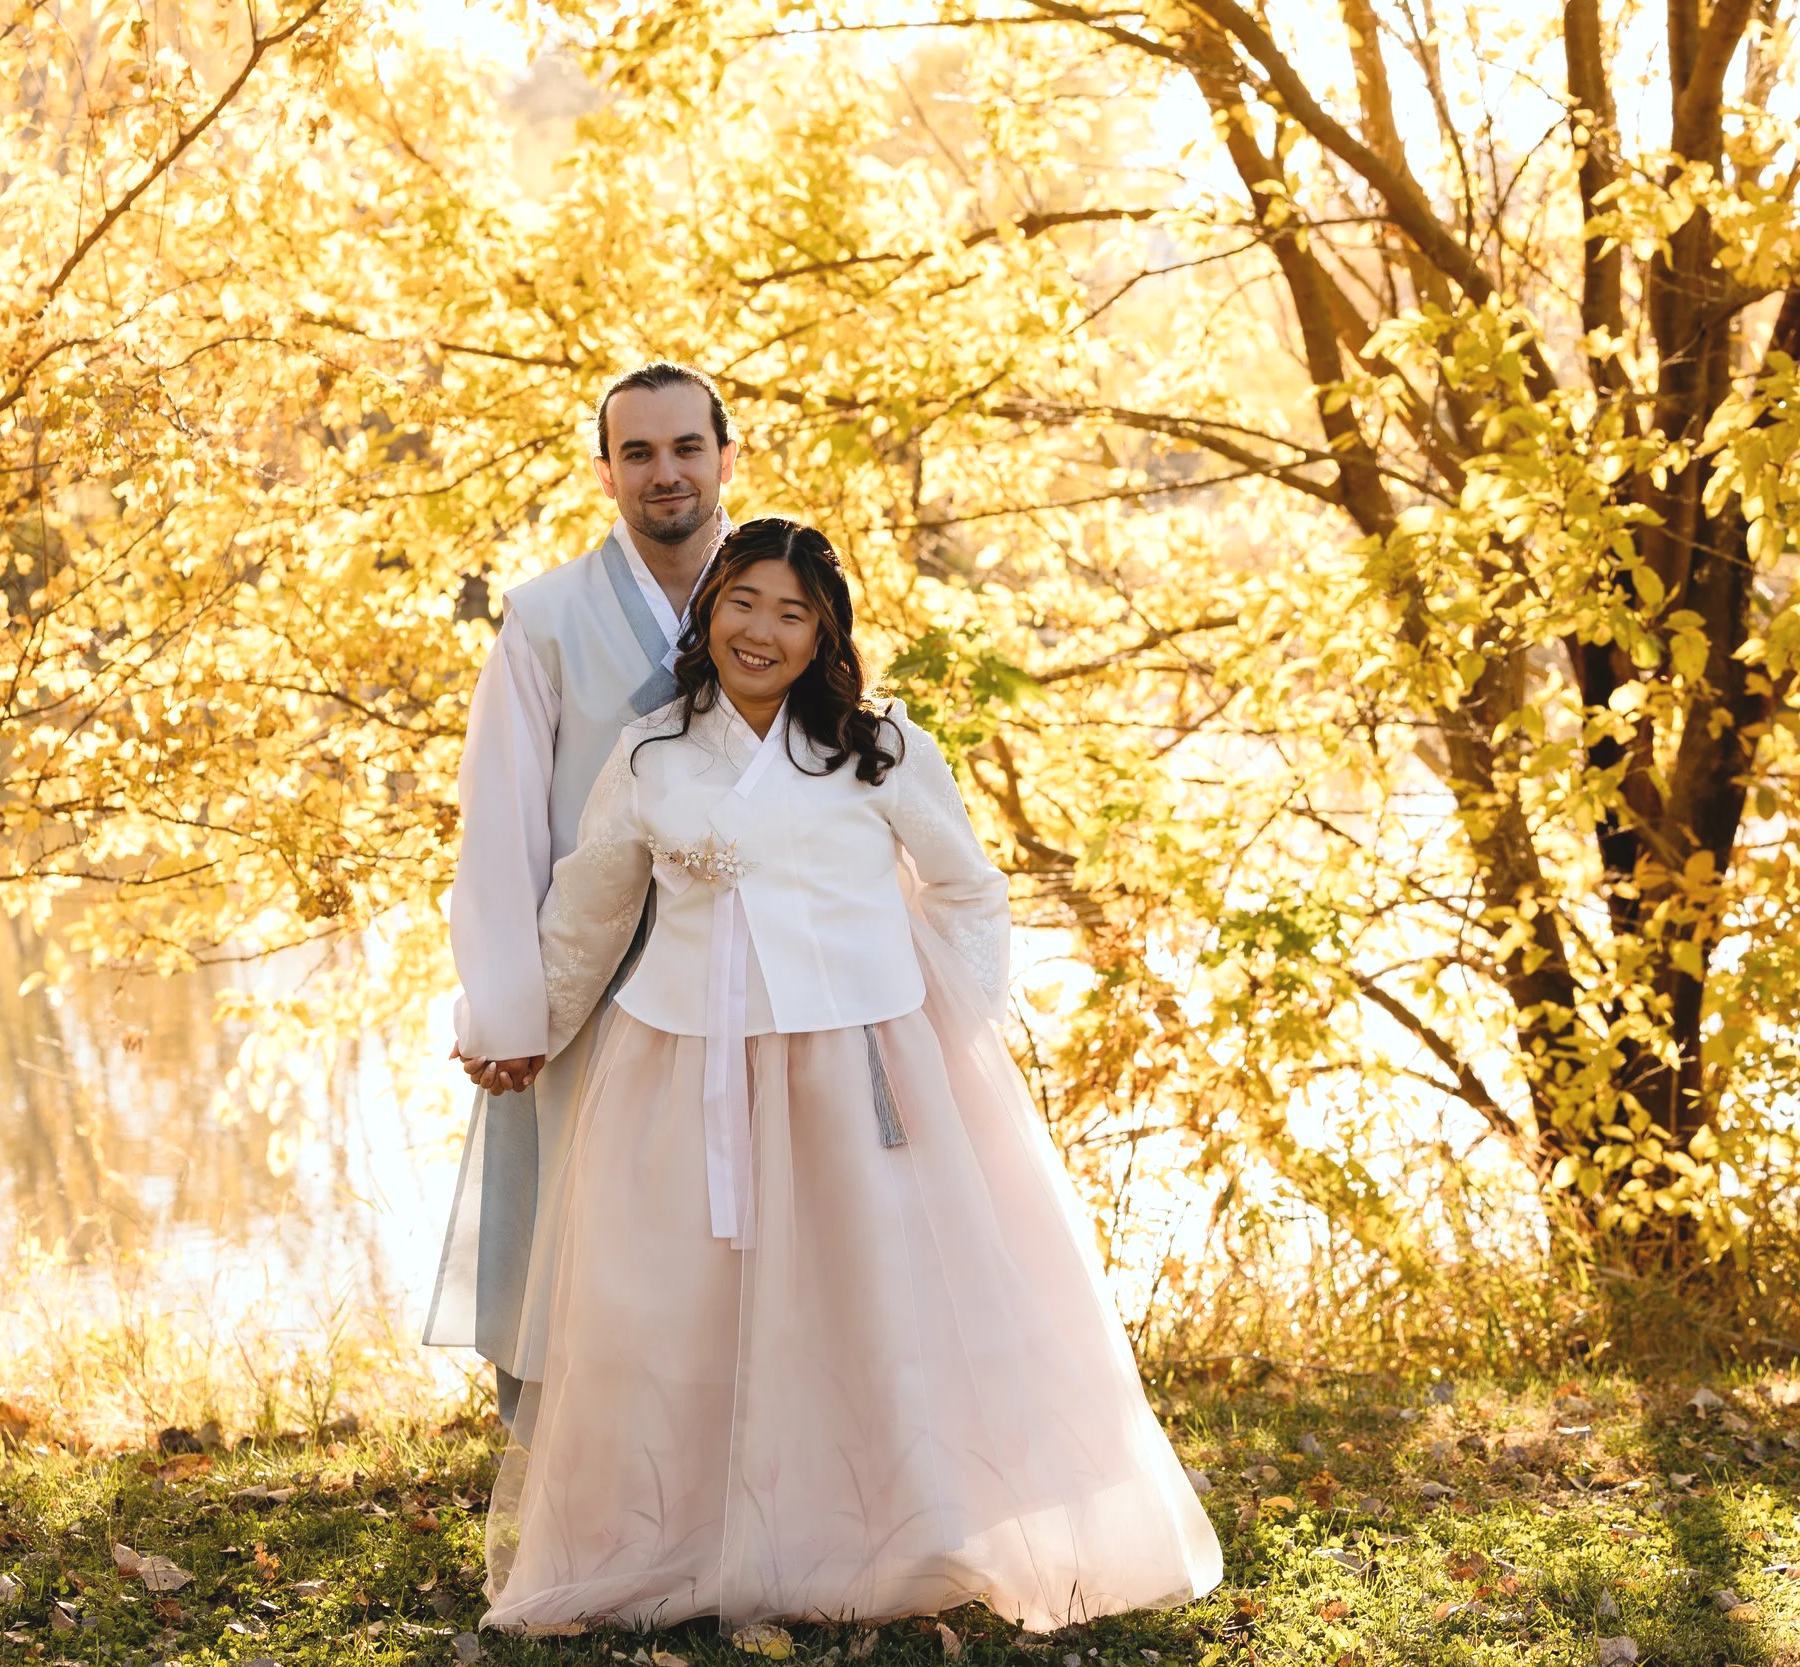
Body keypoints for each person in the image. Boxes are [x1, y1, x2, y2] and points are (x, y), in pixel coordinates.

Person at [481, 518, 1224, 1633]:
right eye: (742, 602)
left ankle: (898, 1524)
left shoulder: (877, 749)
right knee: (673, 1303)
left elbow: (967, 886)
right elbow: (588, 908)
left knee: (869, 1293)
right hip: (686, 1067)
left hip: (856, 1064)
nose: (760, 630)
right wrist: (519, 1022)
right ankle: (675, 1528)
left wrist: (950, 1025)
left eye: (790, 612)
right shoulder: (650, 754)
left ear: (822, 631)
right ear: (710, 611)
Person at [423, 363, 740, 1427]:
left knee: (730, 1227)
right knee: (577, 1231)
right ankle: (577, 1491)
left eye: (686, 447)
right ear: (603, 472)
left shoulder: (782, 601)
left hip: (751, 976)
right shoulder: (545, 619)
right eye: (638, 452)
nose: (665, 473)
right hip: (591, 983)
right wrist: (511, 1009)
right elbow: (502, 824)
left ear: (726, 459)